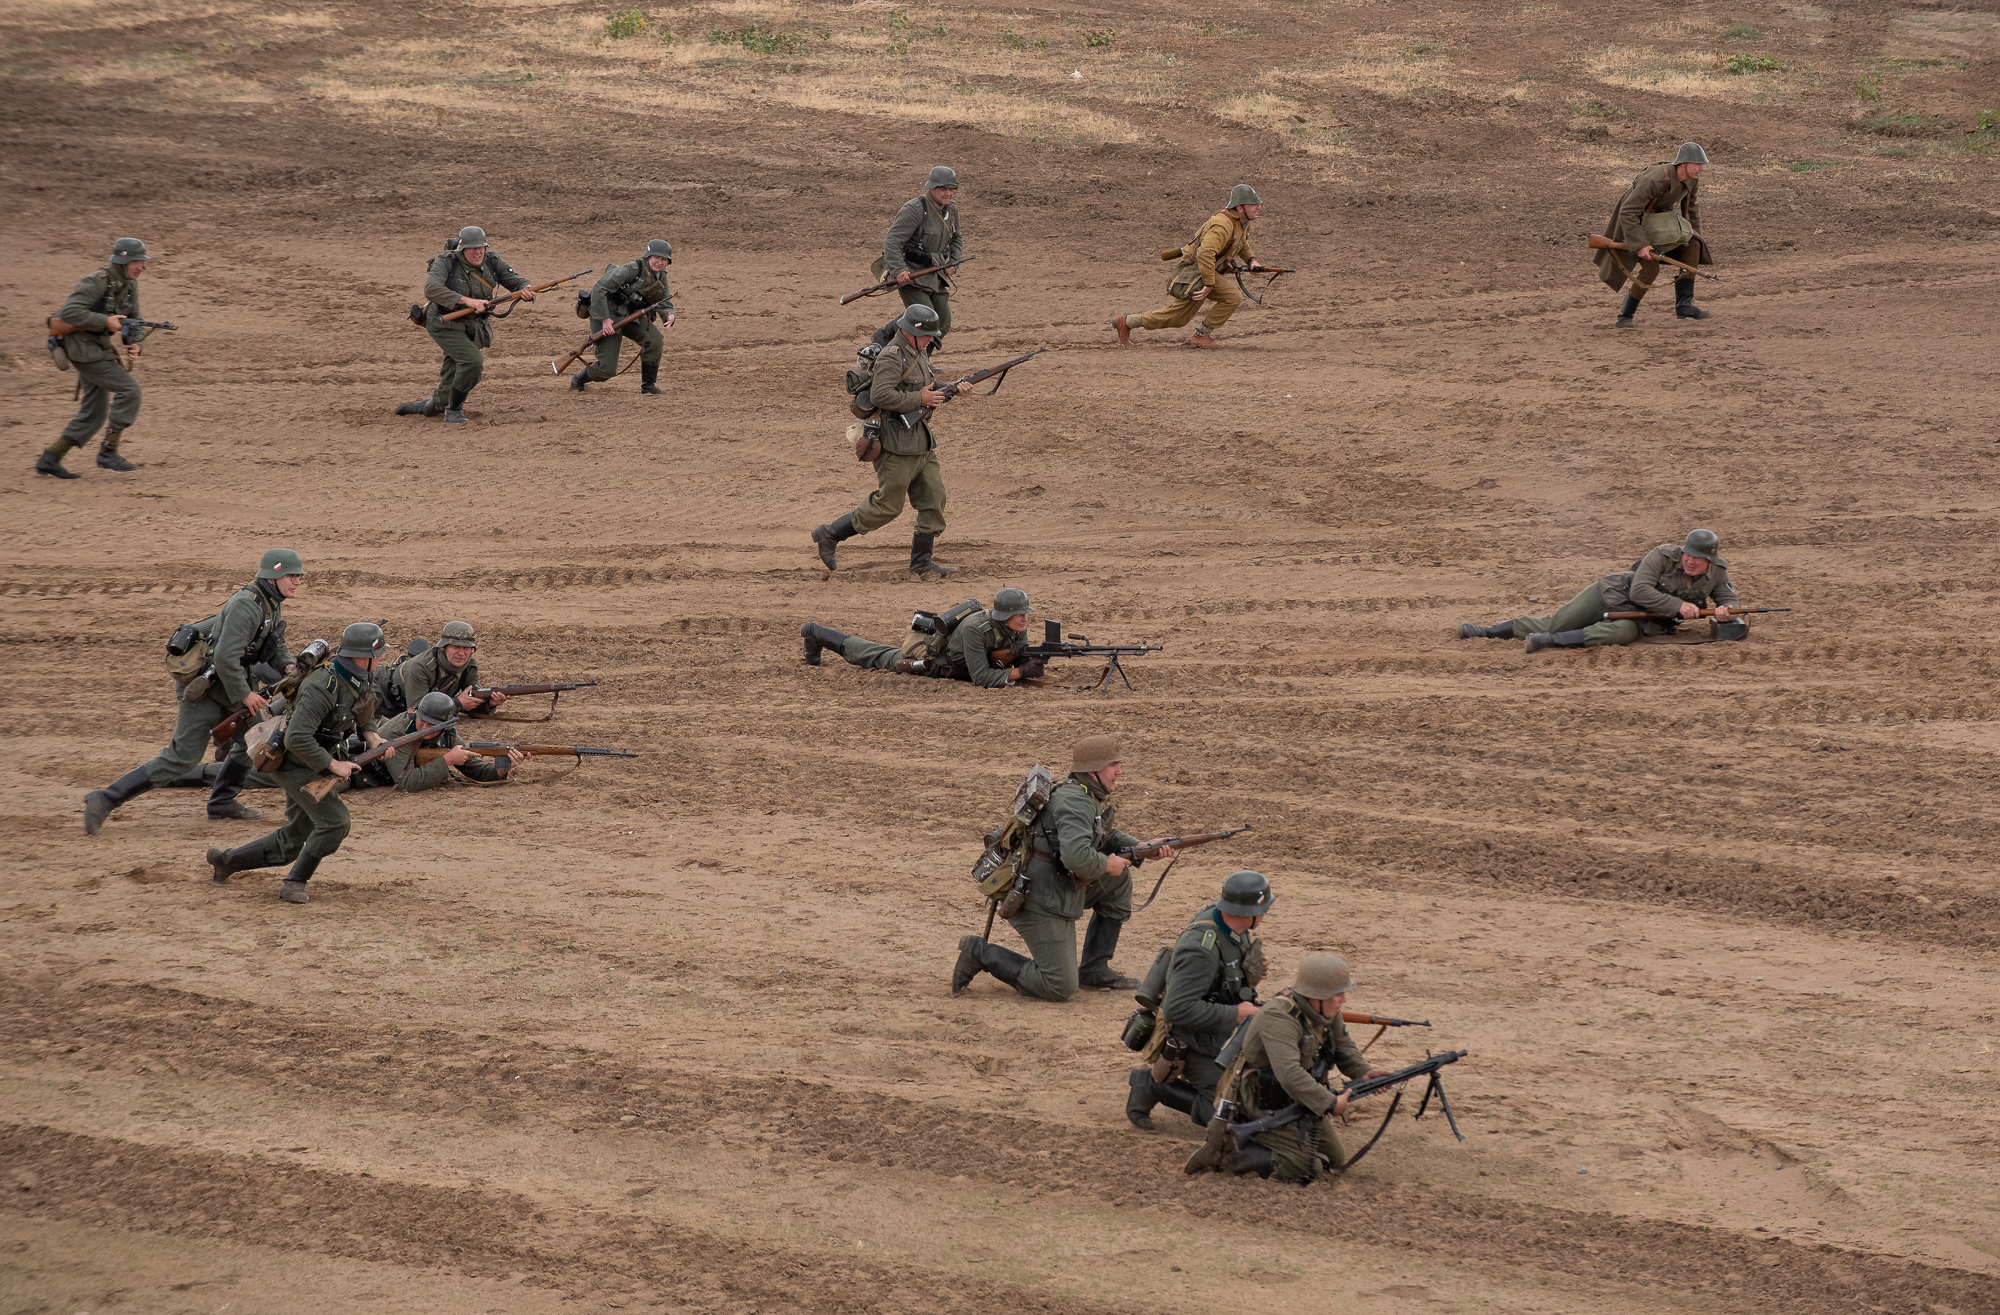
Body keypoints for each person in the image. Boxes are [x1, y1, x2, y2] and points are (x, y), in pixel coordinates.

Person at [83, 549, 302, 834]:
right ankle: (106, 798)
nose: (297, 581)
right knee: (181, 758)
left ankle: (222, 802)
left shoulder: (271, 602)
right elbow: (224, 657)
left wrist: (286, 667)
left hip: (230, 685)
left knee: (255, 741)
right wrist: (245, 696)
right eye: (291, 576)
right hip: (207, 690)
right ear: (273, 576)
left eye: (298, 576)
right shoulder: (248, 605)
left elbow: (274, 641)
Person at [952, 735, 1173, 1000]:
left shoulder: (1082, 793)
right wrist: (1106, 863)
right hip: (1040, 899)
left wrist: (1141, 847)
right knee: (1060, 985)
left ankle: (1094, 970)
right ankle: (980, 953)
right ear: (1093, 770)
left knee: (1118, 882)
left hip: (1057, 884)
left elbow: (1100, 834)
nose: (1119, 771)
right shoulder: (1076, 801)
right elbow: (1077, 857)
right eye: (1113, 765)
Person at [205, 621, 386, 904]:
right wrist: (333, 765)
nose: (380, 660)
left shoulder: (360, 677)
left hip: (318, 758)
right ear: (364, 656)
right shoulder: (321, 685)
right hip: (292, 762)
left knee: (293, 839)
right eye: (378, 655)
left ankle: (227, 861)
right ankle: (294, 883)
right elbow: (297, 739)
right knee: (335, 821)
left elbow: (363, 709)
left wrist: (374, 738)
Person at [1187, 953, 1393, 1181]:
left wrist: (1364, 1071)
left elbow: (1343, 1046)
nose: (1343, 1000)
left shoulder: (1325, 1011)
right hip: (1260, 1101)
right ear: (1317, 995)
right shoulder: (1280, 1018)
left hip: (1295, 1096)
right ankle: (1225, 1154)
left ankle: (1265, 1144)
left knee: (1333, 1158)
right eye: (1338, 994)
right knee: (1307, 1168)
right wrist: (1330, 1102)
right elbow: (1289, 1073)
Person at [809, 304, 970, 578]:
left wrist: (954, 388)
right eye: (929, 335)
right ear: (910, 332)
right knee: (887, 506)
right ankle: (830, 534)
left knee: (934, 497)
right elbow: (881, 396)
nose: (933, 340)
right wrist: (920, 399)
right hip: (895, 444)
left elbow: (924, 388)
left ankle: (921, 562)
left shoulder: (917, 353)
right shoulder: (892, 356)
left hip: (920, 442)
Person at [1126, 870, 1274, 1131]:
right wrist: (1237, 1014)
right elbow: (1176, 1009)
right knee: (1235, 1116)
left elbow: (1225, 972)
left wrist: (1250, 971)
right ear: (1248, 912)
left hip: (1219, 1032)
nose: (1264, 915)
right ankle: (1150, 1085)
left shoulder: (1231, 925)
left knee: (1262, 1089)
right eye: (1262, 909)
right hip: (1191, 1041)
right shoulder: (1200, 948)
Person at [1457, 529, 1738, 654]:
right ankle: (1487, 631)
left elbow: (1727, 598)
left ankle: (1548, 642)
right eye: (1687, 554)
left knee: (1623, 633)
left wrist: (1725, 613)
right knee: (1558, 620)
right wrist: (1677, 605)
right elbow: (1640, 590)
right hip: (1613, 593)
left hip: (1645, 619)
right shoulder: (1663, 555)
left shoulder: (1718, 572)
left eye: (1697, 558)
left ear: (1709, 561)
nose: (1689, 560)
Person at [37, 237, 156, 478]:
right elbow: (70, 311)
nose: (141, 267)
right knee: (130, 390)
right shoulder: (97, 280)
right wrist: (105, 321)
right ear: (123, 260)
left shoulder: (129, 285)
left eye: (142, 262)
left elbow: (136, 318)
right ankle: (108, 452)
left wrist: (136, 344)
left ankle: (50, 458)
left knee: (95, 411)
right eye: (137, 262)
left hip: (97, 347)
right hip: (83, 348)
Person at [394, 226, 534, 424]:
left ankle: (433, 406)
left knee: (455, 368)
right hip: (444, 322)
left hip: (472, 326)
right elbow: (432, 289)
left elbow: (516, 281)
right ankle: (454, 410)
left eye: (481, 247)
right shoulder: (446, 261)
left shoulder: (492, 261)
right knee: (472, 362)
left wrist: (525, 288)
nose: (478, 252)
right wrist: (467, 300)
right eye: (472, 248)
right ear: (461, 249)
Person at [1113, 186, 1267, 350]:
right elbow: (1204, 253)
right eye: (1253, 204)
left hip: (1205, 271)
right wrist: (1209, 284)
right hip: (1195, 272)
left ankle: (1127, 322)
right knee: (1220, 301)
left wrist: (1252, 260)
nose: (1258, 207)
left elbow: (1241, 243)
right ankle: (1201, 336)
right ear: (1240, 207)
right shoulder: (1223, 225)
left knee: (1179, 317)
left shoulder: (1242, 223)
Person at [800, 588, 1043, 685]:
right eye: (1020, 614)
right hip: (936, 658)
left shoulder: (1016, 627)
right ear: (1003, 615)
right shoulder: (975, 630)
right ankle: (816, 633)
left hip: (968, 660)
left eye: (1026, 613)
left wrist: (1031, 660)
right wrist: (1019, 673)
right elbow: (980, 677)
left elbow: (1008, 658)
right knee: (876, 656)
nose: (1025, 618)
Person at [1596, 143, 1715, 327]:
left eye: (1702, 164)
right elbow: (1628, 212)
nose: (1701, 168)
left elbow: (1690, 210)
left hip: (1661, 226)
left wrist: (1693, 234)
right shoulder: (1656, 179)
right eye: (1697, 164)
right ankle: (1625, 316)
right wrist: (1640, 244)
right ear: (1683, 164)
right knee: (1651, 270)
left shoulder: (1691, 179)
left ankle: (1684, 305)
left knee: (1694, 245)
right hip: (1635, 226)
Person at [873, 166, 963, 351]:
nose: (948, 193)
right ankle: (885, 340)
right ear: (931, 188)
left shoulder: (951, 210)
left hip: (936, 274)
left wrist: (954, 261)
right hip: (912, 273)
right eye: (943, 188)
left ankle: (921, 362)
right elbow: (892, 241)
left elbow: (957, 238)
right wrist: (899, 270)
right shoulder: (915, 209)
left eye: (951, 189)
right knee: (924, 320)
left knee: (942, 322)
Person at [570, 238, 677, 394]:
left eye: (664, 259)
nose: (660, 262)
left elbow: (662, 296)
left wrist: (669, 314)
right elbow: (600, 288)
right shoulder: (631, 270)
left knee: (654, 341)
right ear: (648, 256)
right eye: (657, 258)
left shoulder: (661, 274)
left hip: (631, 316)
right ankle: (579, 378)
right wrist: (605, 320)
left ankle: (648, 386)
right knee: (607, 369)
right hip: (608, 313)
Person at [373, 691, 522, 792]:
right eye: (422, 721)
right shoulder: (399, 732)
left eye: (431, 725)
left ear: (445, 727)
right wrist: (447, 760)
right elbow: (407, 782)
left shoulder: (447, 734)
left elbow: (476, 769)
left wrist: (502, 768)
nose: (424, 727)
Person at [375, 621, 507, 719]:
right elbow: (416, 714)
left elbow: (472, 704)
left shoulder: (469, 667)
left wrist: (489, 703)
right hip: (380, 695)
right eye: (456, 647)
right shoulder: (421, 667)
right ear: (443, 647)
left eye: (466, 648)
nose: (461, 653)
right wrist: (457, 704)